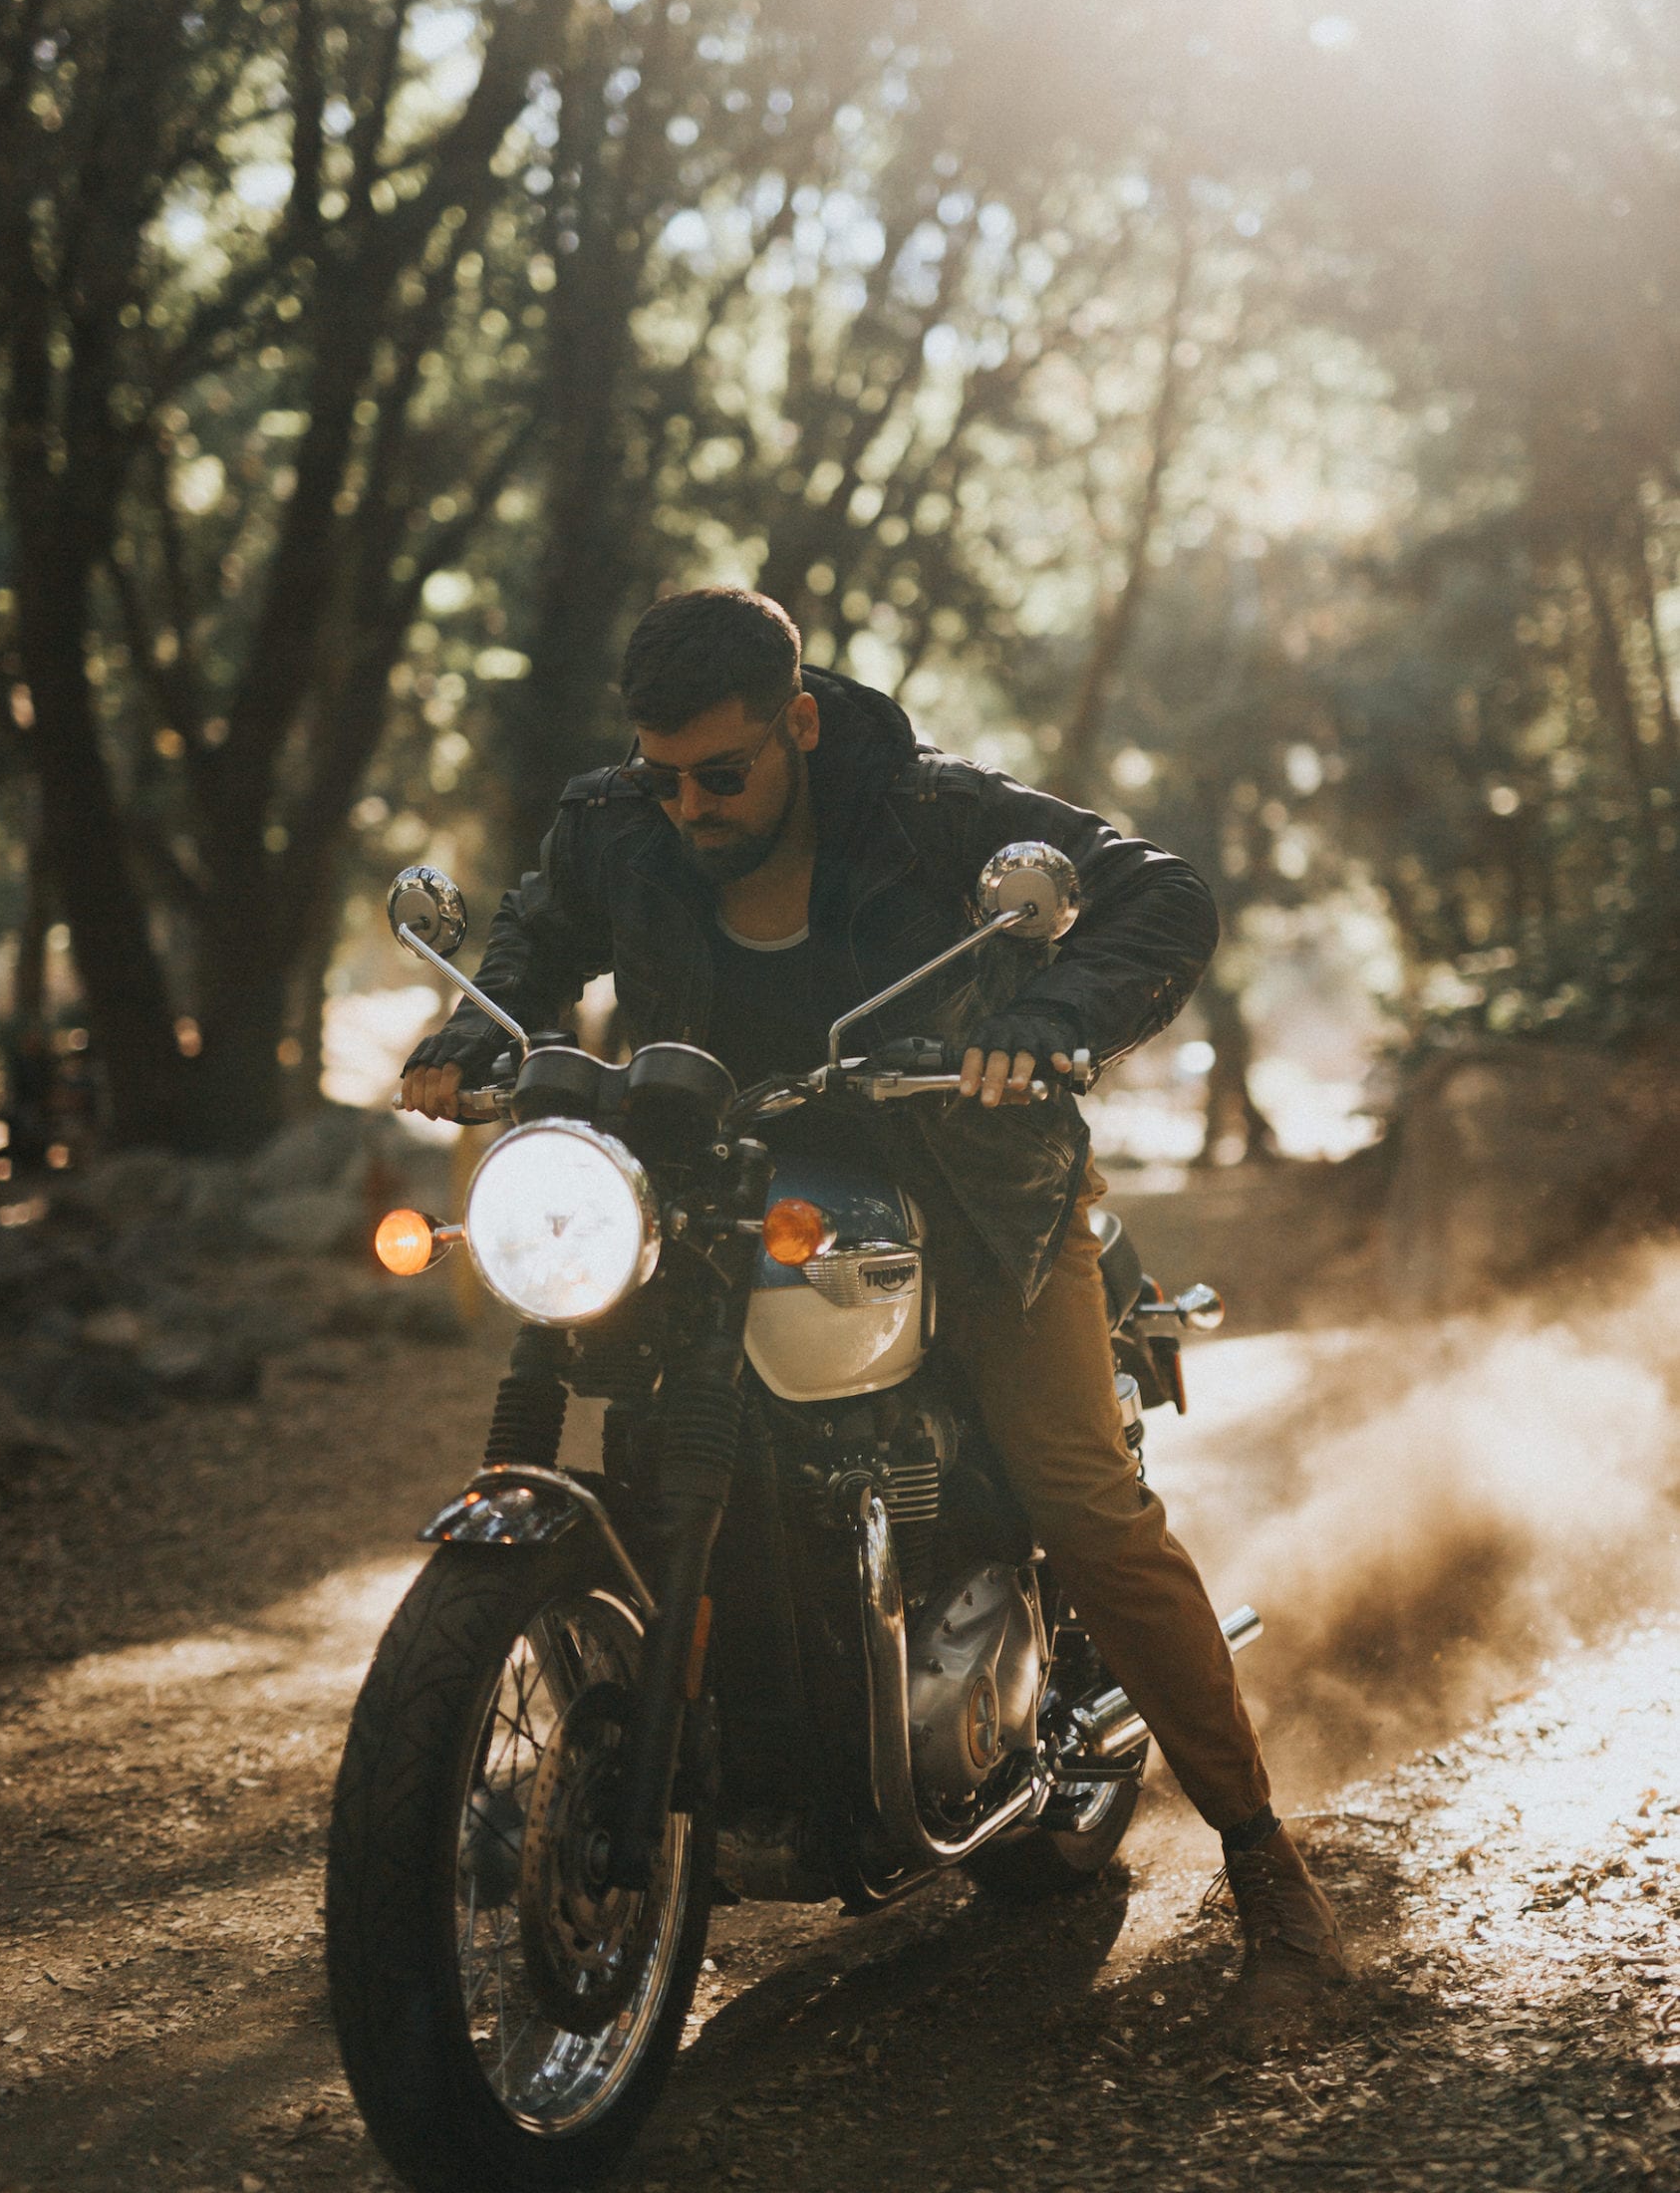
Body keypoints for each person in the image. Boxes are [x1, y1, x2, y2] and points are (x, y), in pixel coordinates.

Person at [401, 586, 1345, 2039]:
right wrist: (478, 1026)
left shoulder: (929, 814)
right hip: (710, 1194)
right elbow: (529, 947)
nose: (691, 804)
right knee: (629, 1421)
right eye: (665, 776)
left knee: (1084, 1503)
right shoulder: (617, 824)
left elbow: (1159, 890)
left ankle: (1265, 1862)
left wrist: (1052, 1018)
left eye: (722, 772)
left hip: (965, 1193)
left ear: (796, 722)